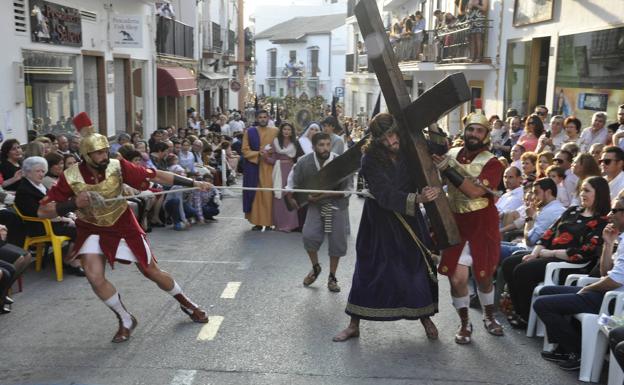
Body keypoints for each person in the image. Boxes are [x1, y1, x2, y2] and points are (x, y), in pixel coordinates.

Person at [37, 112, 211, 343]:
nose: (103, 156)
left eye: (104, 151)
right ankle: (125, 318)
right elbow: (43, 211)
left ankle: (188, 304)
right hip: (91, 228)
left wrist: (193, 183)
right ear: (86, 155)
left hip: (123, 223)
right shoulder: (70, 177)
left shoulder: (117, 166)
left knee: (151, 271)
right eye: (97, 153)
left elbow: (157, 174)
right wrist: (72, 203)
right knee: (93, 276)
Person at [333, 113, 440, 342]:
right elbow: (383, 193)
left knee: (416, 267)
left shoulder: (410, 144)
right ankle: (354, 323)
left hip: (409, 221)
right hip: (379, 221)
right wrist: (418, 199)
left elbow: (440, 146)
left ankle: (425, 316)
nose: (391, 141)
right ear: (377, 139)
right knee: (369, 270)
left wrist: (432, 119)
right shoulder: (369, 157)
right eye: (385, 138)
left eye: (393, 135)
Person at [432, 113, 505, 344]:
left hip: (482, 224)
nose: (474, 134)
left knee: (484, 276)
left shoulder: (493, 163)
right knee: (457, 279)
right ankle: (464, 323)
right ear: (465, 131)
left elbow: (474, 193)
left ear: (485, 135)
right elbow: (436, 182)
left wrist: (447, 169)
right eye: (471, 129)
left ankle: (489, 316)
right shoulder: (451, 154)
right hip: (456, 223)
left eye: (479, 131)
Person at [502, 176, 610, 328]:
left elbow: (583, 253)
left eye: (587, 191)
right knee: (509, 264)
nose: (582, 194)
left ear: (599, 194)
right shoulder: (572, 211)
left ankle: (526, 316)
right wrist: (535, 253)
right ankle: (520, 311)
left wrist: (549, 253)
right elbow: (548, 234)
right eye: (581, 190)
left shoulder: (602, 221)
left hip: (567, 262)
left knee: (522, 271)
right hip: (546, 254)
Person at [535, 193, 624, 371]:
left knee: (542, 304)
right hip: (603, 292)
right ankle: (566, 348)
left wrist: (588, 288)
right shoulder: (620, 238)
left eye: (615, 210)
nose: (610, 214)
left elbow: (614, 280)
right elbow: (606, 272)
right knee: (546, 292)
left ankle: (577, 351)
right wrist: (608, 244)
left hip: (613, 300)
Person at [291, 132, 349, 293]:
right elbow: (296, 184)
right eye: (321, 145)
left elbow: (347, 189)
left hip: (335, 205)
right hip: (315, 206)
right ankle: (316, 267)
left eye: (327, 144)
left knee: (336, 242)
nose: (325, 148)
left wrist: (325, 195)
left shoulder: (339, 162)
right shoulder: (304, 162)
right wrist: (302, 196)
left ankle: (332, 277)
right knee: (309, 235)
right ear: (314, 146)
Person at [15, 156, 83, 276]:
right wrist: (64, 218)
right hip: (40, 226)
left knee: (82, 224)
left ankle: (74, 259)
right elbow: (37, 213)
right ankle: (71, 262)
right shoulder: (24, 190)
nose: (41, 174)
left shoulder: (39, 186)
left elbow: (56, 205)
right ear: (27, 172)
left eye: (43, 171)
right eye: (37, 171)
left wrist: (69, 215)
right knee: (79, 230)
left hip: (52, 221)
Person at [242, 110, 279, 231]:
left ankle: (269, 222)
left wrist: (270, 153)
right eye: (260, 117)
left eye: (265, 117)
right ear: (257, 119)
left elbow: (280, 147)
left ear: (268, 118)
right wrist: (258, 153)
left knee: (268, 194)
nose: (262, 119)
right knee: (256, 194)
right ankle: (257, 222)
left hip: (269, 167)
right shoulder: (250, 132)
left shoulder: (275, 131)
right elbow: (245, 149)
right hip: (254, 166)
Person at [265, 122, 301, 232]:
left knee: (289, 194)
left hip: (291, 170)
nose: (286, 131)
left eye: (289, 129)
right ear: (281, 130)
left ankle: (290, 225)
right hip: (279, 171)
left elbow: (299, 159)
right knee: (278, 196)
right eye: (284, 129)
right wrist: (265, 157)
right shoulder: (276, 142)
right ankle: (279, 224)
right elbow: (274, 158)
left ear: (292, 131)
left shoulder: (295, 143)